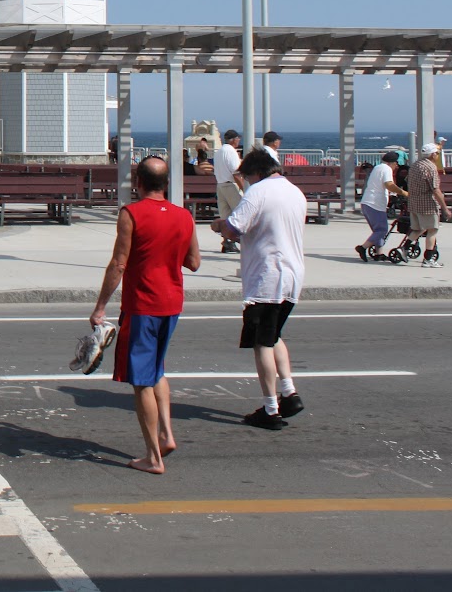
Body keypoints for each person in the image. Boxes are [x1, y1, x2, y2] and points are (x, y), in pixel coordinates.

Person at [89, 157, 201, 474]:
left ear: (138, 182)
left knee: (141, 382)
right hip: (172, 303)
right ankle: (166, 434)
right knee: (156, 369)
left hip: (143, 305)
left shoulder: (131, 214)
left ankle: (153, 457)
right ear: (166, 183)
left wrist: (100, 307)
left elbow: (119, 264)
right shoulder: (184, 216)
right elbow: (194, 262)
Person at [210, 148, 307, 430]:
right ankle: (289, 392)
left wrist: (219, 225)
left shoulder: (258, 192)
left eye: (246, 177)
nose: (245, 182)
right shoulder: (295, 192)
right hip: (292, 273)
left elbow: (233, 229)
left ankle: (270, 409)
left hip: (267, 275)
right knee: (273, 335)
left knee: (261, 342)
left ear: (255, 173)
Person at [356, 151, 407, 261]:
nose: (396, 166)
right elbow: (389, 184)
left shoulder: (377, 167)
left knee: (377, 230)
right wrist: (403, 192)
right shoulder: (386, 169)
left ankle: (379, 253)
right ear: (391, 162)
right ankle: (363, 247)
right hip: (375, 204)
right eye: (396, 163)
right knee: (382, 230)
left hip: (367, 202)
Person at [407, 142, 450, 267]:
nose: (437, 155)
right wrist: (445, 208)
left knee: (419, 229)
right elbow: (435, 189)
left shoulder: (415, 165)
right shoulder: (431, 168)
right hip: (427, 204)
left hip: (414, 202)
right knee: (432, 230)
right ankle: (428, 259)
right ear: (432, 154)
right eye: (437, 153)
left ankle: (404, 248)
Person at [214, 129, 244, 253]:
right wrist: (245, 188)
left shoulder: (219, 151)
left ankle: (226, 241)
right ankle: (235, 240)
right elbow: (236, 173)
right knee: (239, 213)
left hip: (220, 185)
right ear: (233, 140)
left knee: (225, 215)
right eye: (238, 138)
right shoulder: (231, 152)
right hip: (230, 185)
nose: (239, 140)